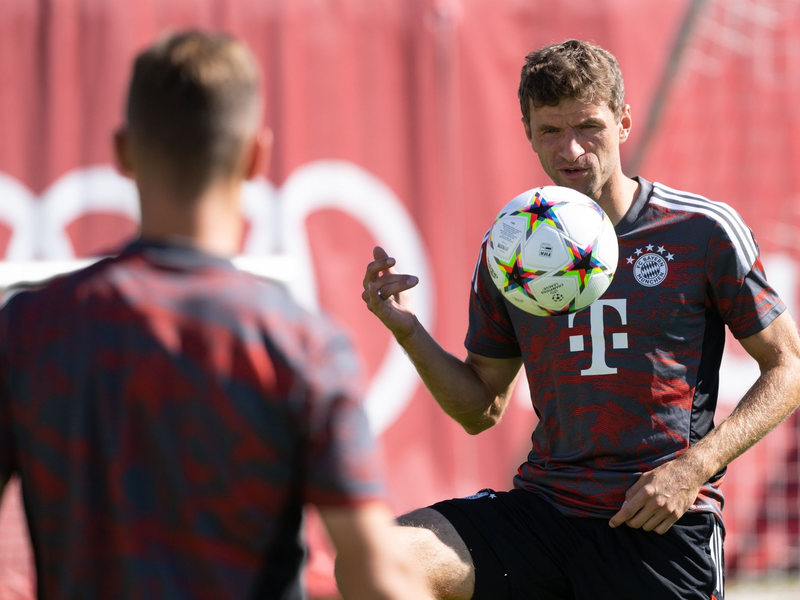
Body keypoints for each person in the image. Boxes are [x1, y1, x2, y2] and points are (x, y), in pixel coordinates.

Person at [358, 39, 800, 599]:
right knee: (380, 561)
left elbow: (788, 367)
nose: (571, 149)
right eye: (549, 131)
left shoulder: (702, 229)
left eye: (588, 126)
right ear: (528, 133)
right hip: (544, 512)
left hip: (658, 525)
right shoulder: (510, 249)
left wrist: (693, 468)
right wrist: (407, 330)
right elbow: (479, 409)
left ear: (623, 122)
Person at [0, 31, 430, 600]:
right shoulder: (301, 345)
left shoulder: (29, 329)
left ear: (123, 153)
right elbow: (378, 575)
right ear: (257, 155)